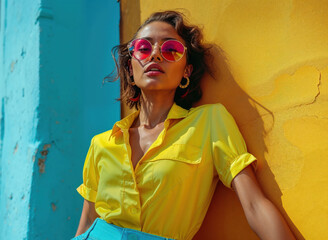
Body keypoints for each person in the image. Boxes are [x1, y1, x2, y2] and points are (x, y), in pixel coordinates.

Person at [73, 10, 296, 240]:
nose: (156, 55)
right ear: (131, 67)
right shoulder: (101, 144)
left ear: (186, 70)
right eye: (143, 48)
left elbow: (255, 206)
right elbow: (87, 225)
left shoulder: (209, 122)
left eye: (171, 50)